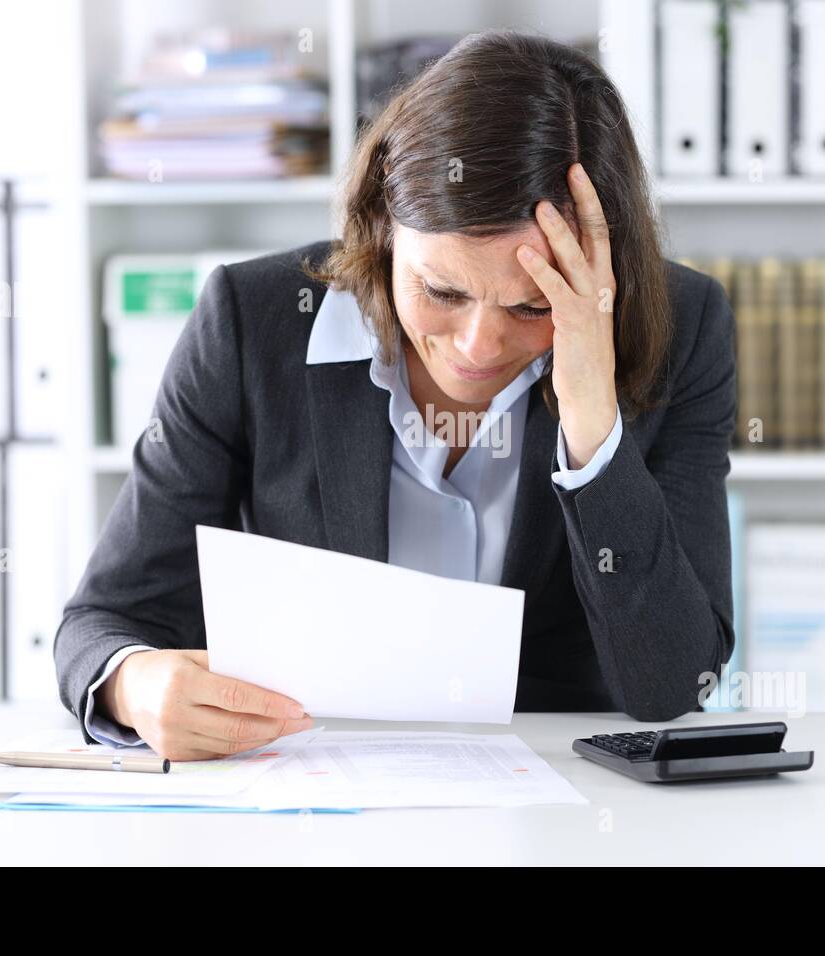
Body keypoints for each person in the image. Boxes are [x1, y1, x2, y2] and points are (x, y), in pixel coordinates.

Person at [54, 29, 737, 760]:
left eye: (532, 307)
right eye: (441, 290)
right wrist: (133, 683)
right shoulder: (250, 322)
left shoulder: (683, 327)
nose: (479, 346)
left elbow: (673, 685)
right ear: (382, 223)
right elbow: (105, 619)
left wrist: (592, 424)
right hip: (315, 785)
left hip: (560, 803)